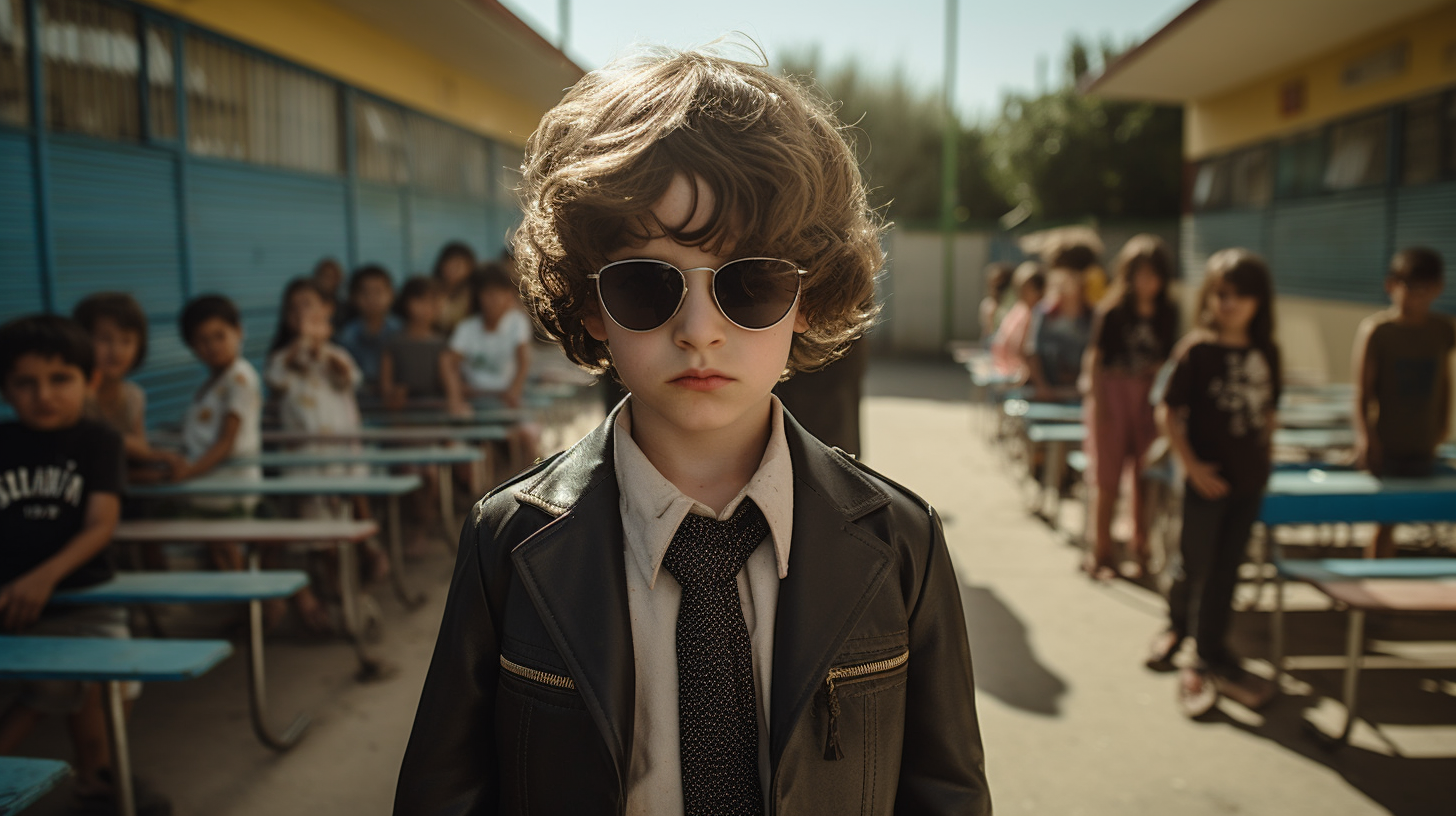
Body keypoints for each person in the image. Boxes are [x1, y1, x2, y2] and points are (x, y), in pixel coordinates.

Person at [395, 46, 990, 816]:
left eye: (752, 279)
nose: (699, 330)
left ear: (807, 297)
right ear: (587, 302)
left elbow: (945, 792)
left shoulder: (901, 542)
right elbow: (446, 792)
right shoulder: (509, 541)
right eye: (646, 282)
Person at [0, 315, 171, 815]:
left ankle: (98, 773)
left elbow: (100, 524)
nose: (44, 395)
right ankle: (97, 775)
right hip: (12, 602)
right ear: (5, 387)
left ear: (89, 381)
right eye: (25, 383)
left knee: (109, 682)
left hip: (85, 597)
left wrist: (42, 578)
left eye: (60, 380)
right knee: (48, 688)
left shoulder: (99, 441)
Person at [1148, 248, 1281, 718]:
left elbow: (1268, 413)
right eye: (1222, 294)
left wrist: (1266, 457)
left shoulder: (1266, 352)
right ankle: (1180, 633)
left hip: (1247, 485)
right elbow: (1168, 410)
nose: (1231, 304)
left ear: (1259, 301)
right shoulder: (1197, 351)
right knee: (1194, 565)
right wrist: (1193, 467)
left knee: (1227, 570)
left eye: (1242, 295)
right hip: (1205, 483)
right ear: (1210, 297)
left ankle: (1209, 651)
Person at [265, 278, 374, 627]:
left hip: (339, 463)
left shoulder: (337, 356)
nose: (304, 316)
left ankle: (339, 588)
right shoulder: (282, 359)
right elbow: (278, 382)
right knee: (315, 534)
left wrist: (321, 352)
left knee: (338, 529)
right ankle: (321, 595)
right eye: (296, 309)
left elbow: (348, 380)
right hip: (304, 465)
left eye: (311, 308)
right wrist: (302, 346)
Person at [1081, 236, 1179, 580]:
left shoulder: (1169, 313)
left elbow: (1170, 359)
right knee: (1106, 479)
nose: (1147, 282)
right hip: (1113, 394)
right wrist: (1101, 405)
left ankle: (1141, 549)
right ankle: (1101, 551)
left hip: (1149, 398)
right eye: (1140, 274)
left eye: (1154, 275)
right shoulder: (1111, 312)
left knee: (1144, 477)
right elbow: (1096, 361)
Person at [1352, 247, 1453, 559]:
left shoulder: (1443, 329)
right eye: (1410, 288)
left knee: (1434, 510)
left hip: (1424, 442)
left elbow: (1445, 383)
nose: (1417, 298)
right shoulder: (1378, 331)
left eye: (1426, 290)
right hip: (1388, 444)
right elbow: (1361, 394)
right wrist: (1366, 439)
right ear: (1391, 285)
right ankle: (1374, 594)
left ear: (1438, 289)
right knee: (1386, 521)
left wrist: (1442, 428)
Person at [72, 292, 186, 483]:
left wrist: (158, 458)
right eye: (104, 339)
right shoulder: (74, 395)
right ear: (82, 339)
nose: (116, 351)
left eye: (126, 340)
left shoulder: (133, 395)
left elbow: (140, 449)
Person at [442, 262, 541, 481]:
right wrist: (455, 397)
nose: (493, 299)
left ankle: (526, 488)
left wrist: (514, 391)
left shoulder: (516, 323)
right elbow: (448, 362)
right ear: (478, 296)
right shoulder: (468, 328)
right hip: (476, 407)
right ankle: (477, 497)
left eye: (500, 292)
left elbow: (523, 360)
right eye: (487, 293)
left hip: (508, 406)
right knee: (456, 447)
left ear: (509, 295)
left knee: (528, 438)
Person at [1024, 240, 1097, 402]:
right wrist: (1043, 388)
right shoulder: (1044, 314)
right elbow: (1032, 353)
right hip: (1049, 398)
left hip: (1082, 398)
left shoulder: (1093, 315)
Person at [380, 277, 448, 409]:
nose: (428, 307)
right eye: (421, 300)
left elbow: (447, 383)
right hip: (401, 413)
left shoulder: (441, 344)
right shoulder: (394, 343)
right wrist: (393, 395)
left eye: (433, 301)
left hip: (435, 411)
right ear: (407, 303)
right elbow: (385, 386)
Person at [337, 265, 400, 398]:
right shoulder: (347, 336)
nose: (372, 299)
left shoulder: (401, 331)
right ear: (353, 297)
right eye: (365, 293)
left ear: (391, 294)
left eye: (378, 292)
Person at [990, 261, 1045, 379]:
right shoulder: (1020, 310)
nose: (1021, 292)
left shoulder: (1038, 313)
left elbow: (1027, 350)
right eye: (1019, 287)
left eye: (1026, 288)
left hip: (1020, 374)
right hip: (1009, 371)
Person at [431, 241, 478, 333]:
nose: (454, 269)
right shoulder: (431, 290)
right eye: (450, 264)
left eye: (459, 265)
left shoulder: (474, 294)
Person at [978, 262, 1015, 341]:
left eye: (1000, 286)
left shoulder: (1013, 304)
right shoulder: (987, 305)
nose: (994, 290)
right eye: (992, 285)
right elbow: (988, 333)